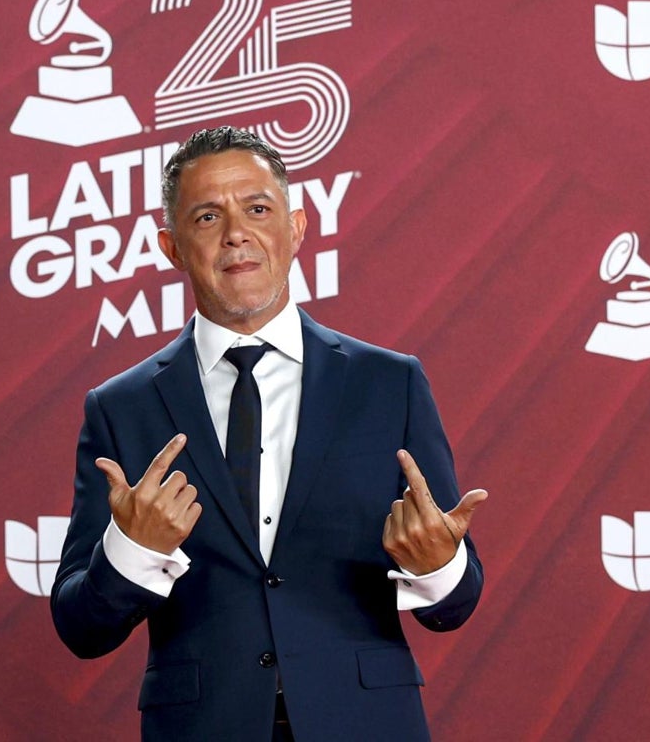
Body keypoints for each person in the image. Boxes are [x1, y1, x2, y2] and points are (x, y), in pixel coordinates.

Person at [50, 126, 487, 741]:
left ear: (297, 227)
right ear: (171, 247)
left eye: (257, 208)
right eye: (207, 217)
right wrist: (132, 550)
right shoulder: (121, 408)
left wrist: (439, 563)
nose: (236, 233)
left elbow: (456, 605)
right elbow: (80, 628)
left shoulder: (390, 384)